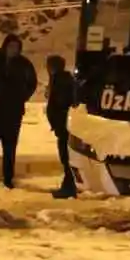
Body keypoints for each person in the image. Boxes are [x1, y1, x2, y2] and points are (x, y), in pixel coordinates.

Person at [0, 33, 37, 191]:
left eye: (16, 47)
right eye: (11, 46)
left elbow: (32, 83)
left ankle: (8, 178)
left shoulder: (24, 64)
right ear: (5, 46)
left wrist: (21, 97)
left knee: (10, 147)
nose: (13, 50)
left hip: (13, 111)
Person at [45, 55, 77, 198]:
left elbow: (60, 102)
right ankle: (69, 184)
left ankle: (70, 186)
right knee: (65, 156)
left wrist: (57, 119)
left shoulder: (60, 80)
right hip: (62, 124)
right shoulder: (61, 79)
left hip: (63, 124)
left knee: (66, 156)